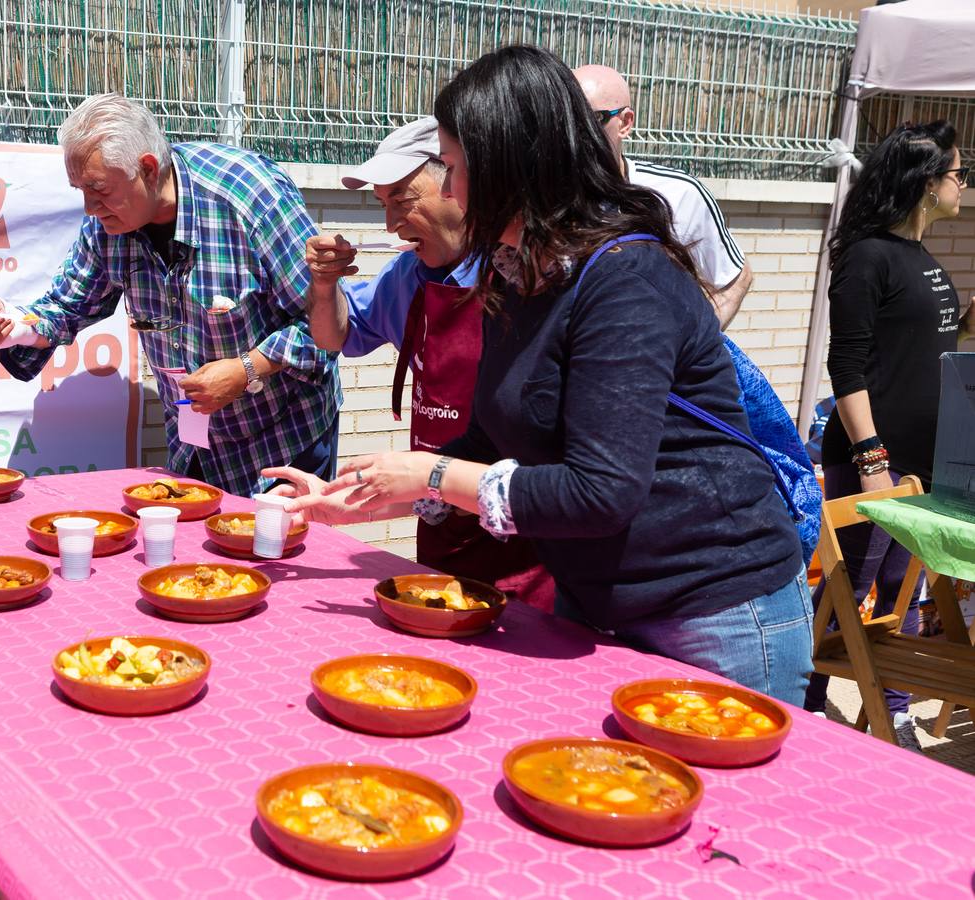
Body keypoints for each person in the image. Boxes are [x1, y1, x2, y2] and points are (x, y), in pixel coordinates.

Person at [272, 45, 811, 705]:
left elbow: (601, 491)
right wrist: (364, 494)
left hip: (712, 615)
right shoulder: (518, 273)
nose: (448, 188)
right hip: (595, 599)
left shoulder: (623, 279)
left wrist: (428, 474)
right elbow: (492, 441)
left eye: (452, 166)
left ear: (510, 164)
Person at [0, 93, 341, 496]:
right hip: (196, 446)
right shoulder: (107, 228)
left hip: (285, 440)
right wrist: (11, 326)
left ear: (147, 168)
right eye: (80, 191)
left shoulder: (249, 195)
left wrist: (245, 369)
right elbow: (65, 307)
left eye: (98, 190)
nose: (90, 208)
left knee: (274, 557)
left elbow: (324, 325)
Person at [304, 117, 553, 610]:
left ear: (456, 182)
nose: (391, 224)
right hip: (442, 523)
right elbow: (335, 336)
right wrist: (325, 284)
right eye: (383, 204)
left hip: (531, 532)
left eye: (402, 198)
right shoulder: (405, 275)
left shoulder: (526, 273)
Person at [806, 120, 973, 748]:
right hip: (874, 462)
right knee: (848, 591)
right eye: (958, 174)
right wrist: (870, 456)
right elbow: (846, 367)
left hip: (921, 466)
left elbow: (912, 350)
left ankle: (892, 703)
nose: (963, 184)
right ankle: (809, 699)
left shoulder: (923, 257)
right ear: (926, 184)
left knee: (897, 598)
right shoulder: (867, 256)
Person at [574, 65, 753, 328]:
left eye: (591, 120)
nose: (575, 133)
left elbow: (735, 278)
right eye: (567, 119)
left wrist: (695, 346)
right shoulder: (546, 196)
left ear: (625, 123)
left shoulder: (678, 194)